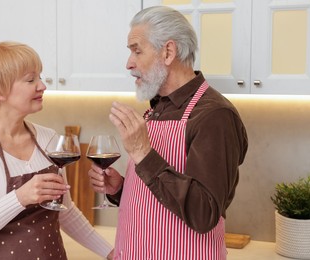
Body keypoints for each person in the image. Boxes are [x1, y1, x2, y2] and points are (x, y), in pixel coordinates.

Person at [88, 6, 248, 260]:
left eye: (136, 51)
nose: (129, 63)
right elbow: (158, 198)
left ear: (168, 52)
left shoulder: (214, 115)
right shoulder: (157, 108)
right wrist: (122, 189)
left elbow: (204, 212)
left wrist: (143, 153)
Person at [0, 41, 113, 259]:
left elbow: (66, 213)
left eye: (40, 77)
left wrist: (111, 253)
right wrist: (20, 197)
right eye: (31, 79)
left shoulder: (48, 138)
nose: (42, 85)